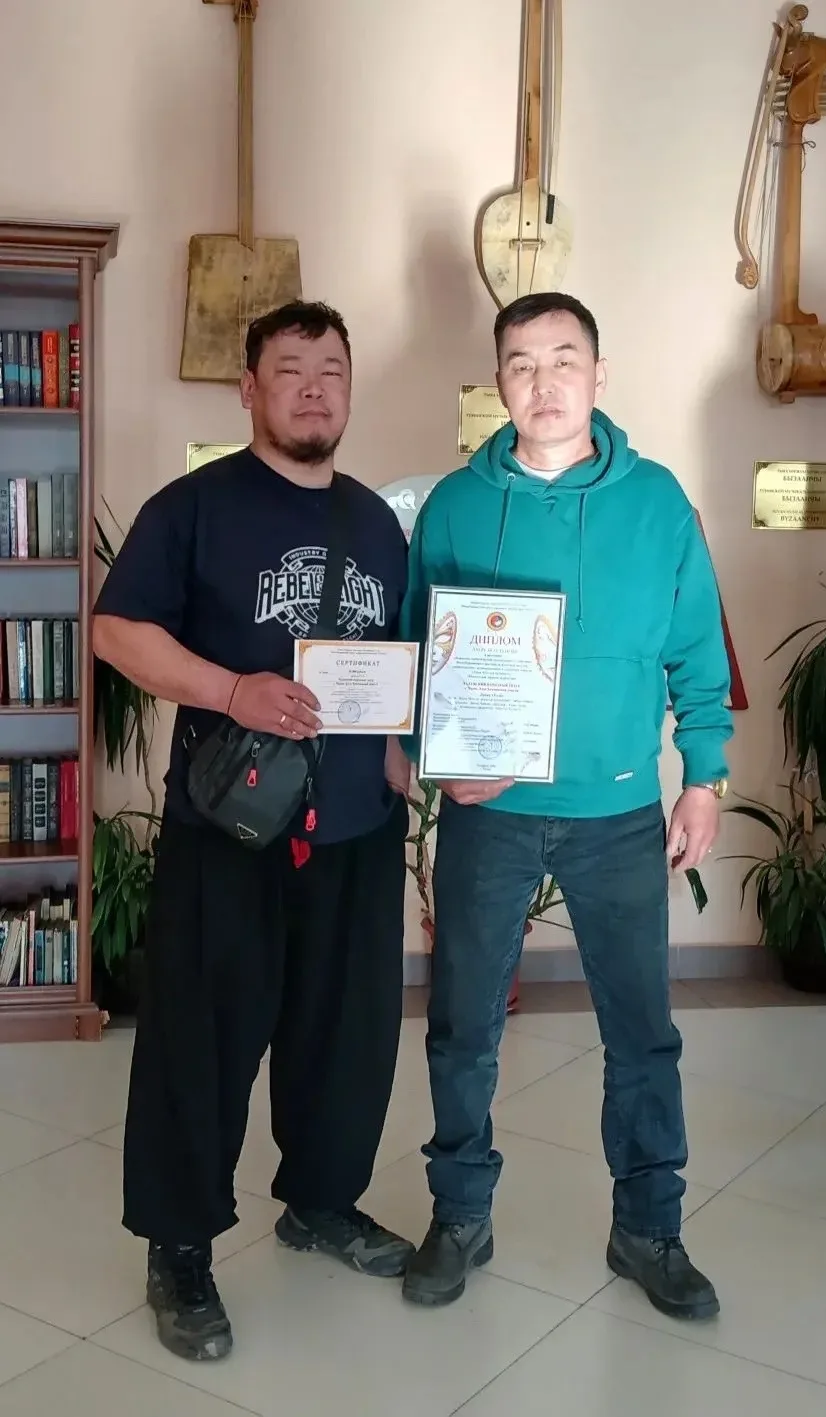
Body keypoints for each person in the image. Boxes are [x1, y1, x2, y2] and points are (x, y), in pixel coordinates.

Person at [398, 291, 731, 1321]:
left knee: (642, 1031)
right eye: (521, 363)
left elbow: (696, 649)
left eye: (563, 360)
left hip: (618, 809)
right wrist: (438, 761)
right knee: (463, 1026)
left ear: (598, 374)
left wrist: (704, 777)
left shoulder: (658, 503)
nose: (543, 383)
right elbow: (418, 651)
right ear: (497, 382)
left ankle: (649, 1228)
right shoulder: (456, 505)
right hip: (489, 816)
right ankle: (460, 1214)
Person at [93, 301, 416, 1363]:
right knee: (200, 1044)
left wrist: (401, 749)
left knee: (346, 1035)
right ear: (248, 388)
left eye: (332, 369)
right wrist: (232, 689)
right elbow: (116, 630)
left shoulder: (378, 523)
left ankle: (320, 1202)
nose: (314, 387)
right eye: (290, 368)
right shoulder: (193, 506)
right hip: (226, 830)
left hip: (355, 830)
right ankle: (179, 1247)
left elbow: (390, 663)